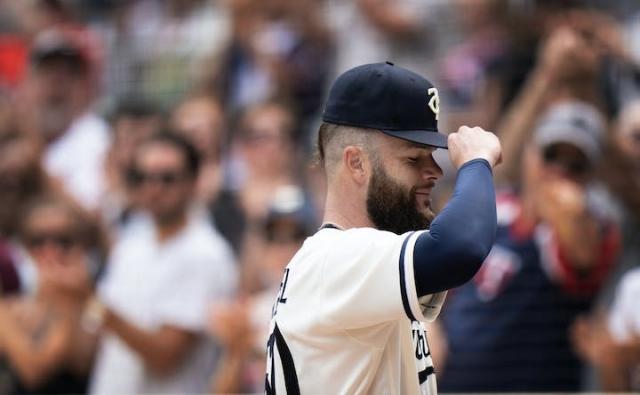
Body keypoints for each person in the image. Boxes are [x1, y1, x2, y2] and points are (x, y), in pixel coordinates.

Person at [264, 62, 502, 394]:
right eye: (413, 159)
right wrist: (477, 163)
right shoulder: (336, 259)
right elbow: (461, 246)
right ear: (356, 162)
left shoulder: (353, 261)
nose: (434, 172)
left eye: (432, 155)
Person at [438, 100, 619, 392]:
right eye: (551, 155)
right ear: (530, 154)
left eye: (576, 165)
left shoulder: (592, 225)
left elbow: (583, 254)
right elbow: (440, 273)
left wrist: (568, 211)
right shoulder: (497, 207)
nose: (560, 171)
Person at [88, 131, 237, 394]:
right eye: (141, 178)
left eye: (167, 178)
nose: (153, 188)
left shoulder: (206, 254)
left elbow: (165, 357)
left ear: (193, 182)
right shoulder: (131, 241)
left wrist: (92, 304)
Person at [0, 195, 103, 394]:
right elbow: (34, 372)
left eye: (63, 240)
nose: (50, 250)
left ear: (82, 244)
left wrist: (71, 297)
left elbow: (83, 362)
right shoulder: (9, 308)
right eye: (38, 240)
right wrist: (65, 303)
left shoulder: (98, 304)